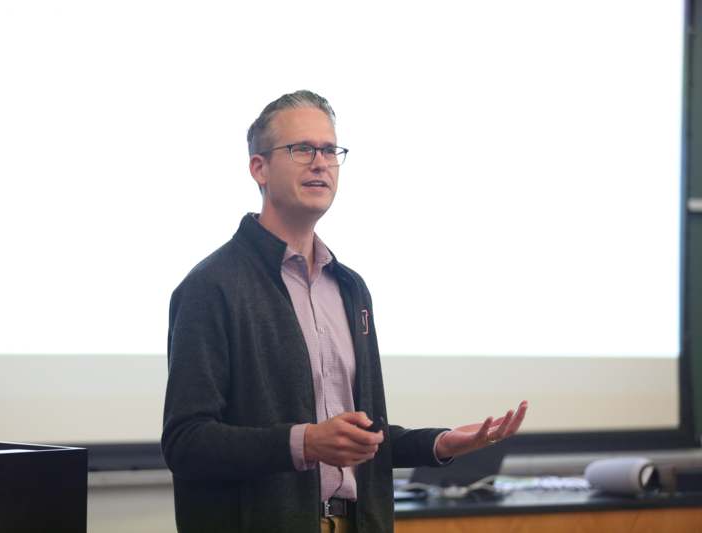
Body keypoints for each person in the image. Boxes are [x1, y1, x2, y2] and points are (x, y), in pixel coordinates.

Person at [161, 90, 528, 533]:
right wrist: (306, 442)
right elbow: (186, 442)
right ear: (259, 167)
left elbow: (364, 437)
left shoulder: (351, 288)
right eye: (301, 149)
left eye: (330, 150)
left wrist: (441, 443)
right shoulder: (211, 286)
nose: (320, 162)